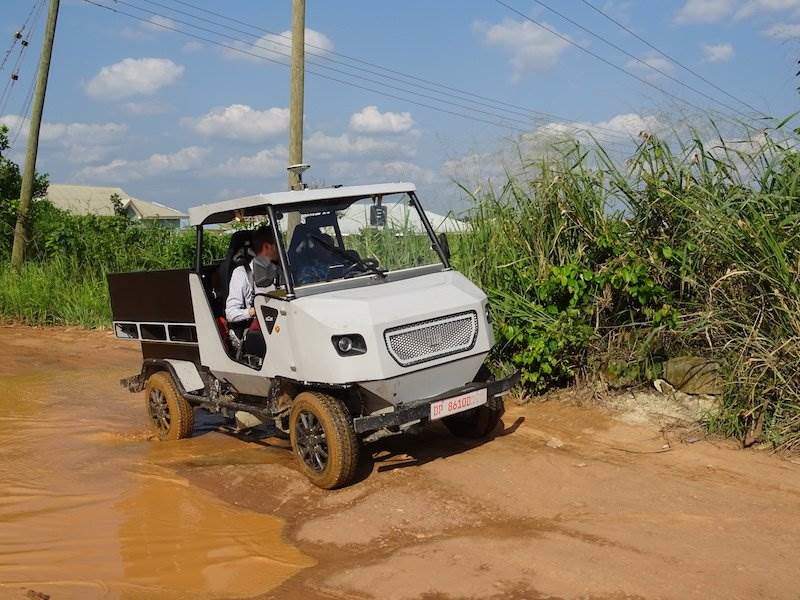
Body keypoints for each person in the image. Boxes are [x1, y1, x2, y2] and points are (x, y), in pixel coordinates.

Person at [225, 227, 279, 324]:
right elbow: (230, 313)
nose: (281, 249)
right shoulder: (241, 273)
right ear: (267, 247)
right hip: (259, 328)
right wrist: (254, 311)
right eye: (278, 244)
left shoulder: (281, 270)